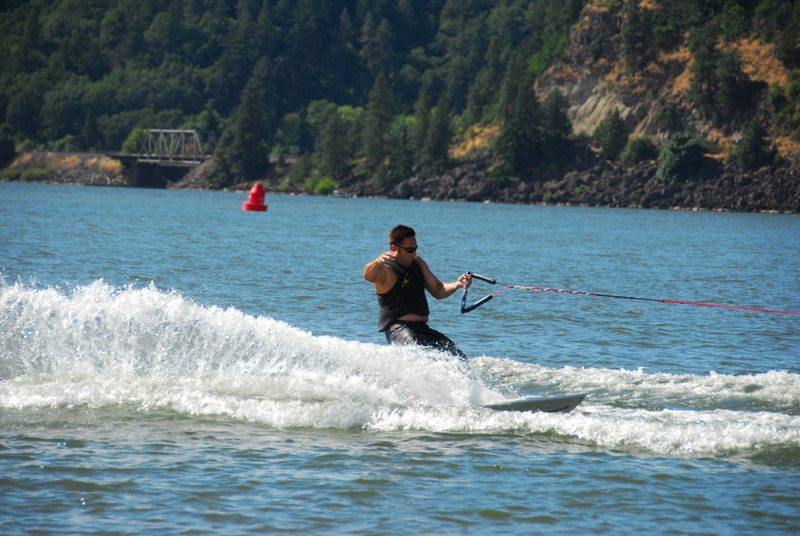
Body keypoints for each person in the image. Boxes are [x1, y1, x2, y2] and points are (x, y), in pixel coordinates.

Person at [363, 224, 472, 359]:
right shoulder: (386, 269)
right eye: (409, 250)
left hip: (422, 328)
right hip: (399, 329)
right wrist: (376, 262)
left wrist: (457, 284)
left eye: (415, 248)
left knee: (459, 358)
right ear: (394, 248)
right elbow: (368, 276)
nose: (413, 253)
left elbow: (438, 290)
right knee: (424, 357)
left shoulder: (418, 262)